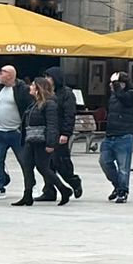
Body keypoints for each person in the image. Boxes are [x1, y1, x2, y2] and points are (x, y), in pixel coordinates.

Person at [0, 62, 33, 201]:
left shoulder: (22, 90)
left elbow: (29, 109)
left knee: (24, 161)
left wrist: (25, 129)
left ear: (10, 75)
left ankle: (31, 186)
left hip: (16, 132)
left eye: (1, 73)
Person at [22, 76, 68, 207]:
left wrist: (50, 143)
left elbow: (52, 125)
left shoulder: (50, 104)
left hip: (42, 140)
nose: (30, 87)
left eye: (32, 85)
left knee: (43, 167)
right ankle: (27, 194)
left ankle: (63, 189)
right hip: (31, 139)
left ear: (39, 88)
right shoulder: (34, 104)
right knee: (27, 166)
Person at [46, 64, 85, 201]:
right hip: (48, 132)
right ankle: (49, 191)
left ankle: (74, 181)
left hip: (60, 132)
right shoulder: (47, 93)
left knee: (61, 162)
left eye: (49, 77)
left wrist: (65, 133)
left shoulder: (67, 94)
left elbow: (69, 115)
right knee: (46, 164)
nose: (47, 79)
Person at [102, 72, 133, 203]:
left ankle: (123, 191)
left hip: (125, 135)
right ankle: (118, 186)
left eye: (114, 83)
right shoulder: (113, 96)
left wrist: (117, 87)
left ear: (122, 84)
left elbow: (126, 100)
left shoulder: (132, 95)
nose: (111, 85)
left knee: (123, 167)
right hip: (110, 134)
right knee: (104, 161)